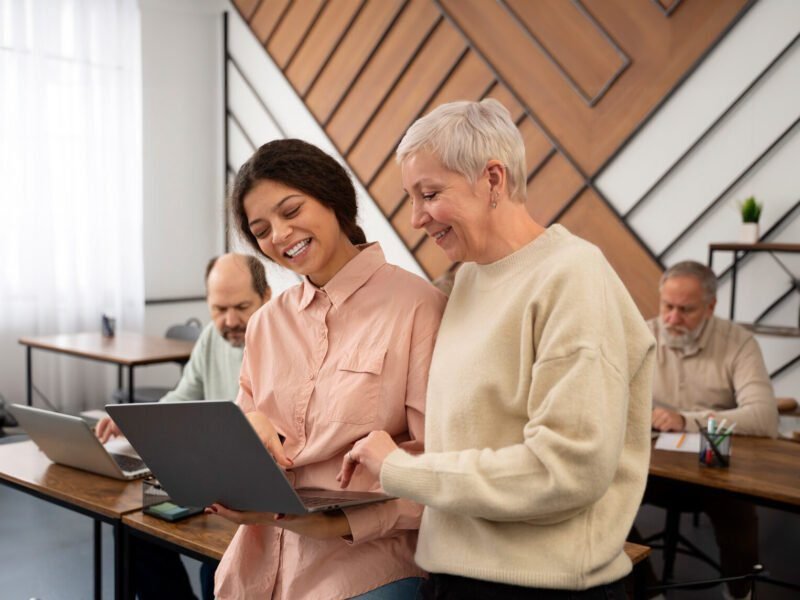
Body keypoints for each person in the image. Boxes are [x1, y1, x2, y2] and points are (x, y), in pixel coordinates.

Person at [338, 98, 656, 599]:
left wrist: (402, 469)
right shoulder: (469, 279)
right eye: (411, 198)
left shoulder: (572, 275)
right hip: (454, 576)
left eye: (430, 193)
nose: (417, 218)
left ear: (492, 179)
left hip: (537, 587)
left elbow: (566, 470)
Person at [209, 139, 446, 599]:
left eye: (291, 210)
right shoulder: (266, 324)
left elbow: (436, 469)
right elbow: (238, 444)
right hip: (259, 557)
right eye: (261, 230)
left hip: (368, 562)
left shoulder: (418, 308)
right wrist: (250, 425)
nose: (278, 235)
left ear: (333, 198)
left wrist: (331, 523)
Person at [97, 253, 270, 600]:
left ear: (266, 297)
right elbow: (181, 399)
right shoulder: (211, 338)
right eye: (219, 309)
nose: (230, 320)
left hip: (258, 490)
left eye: (241, 306)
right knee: (133, 533)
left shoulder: (282, 338)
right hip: (209, 477)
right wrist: (134, 423)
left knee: (217, 567)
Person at [644, 260, 778, 600]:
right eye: (667, 307)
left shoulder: (739, 342)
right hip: (652, 466)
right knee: (599, 498)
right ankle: (645, 588)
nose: (672, 319)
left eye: (686, 310)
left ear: (711, 306)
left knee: (739, 515)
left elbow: (764, 417)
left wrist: (685, 420)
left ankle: (739, 592)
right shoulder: (641, 334)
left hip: (716, 469)